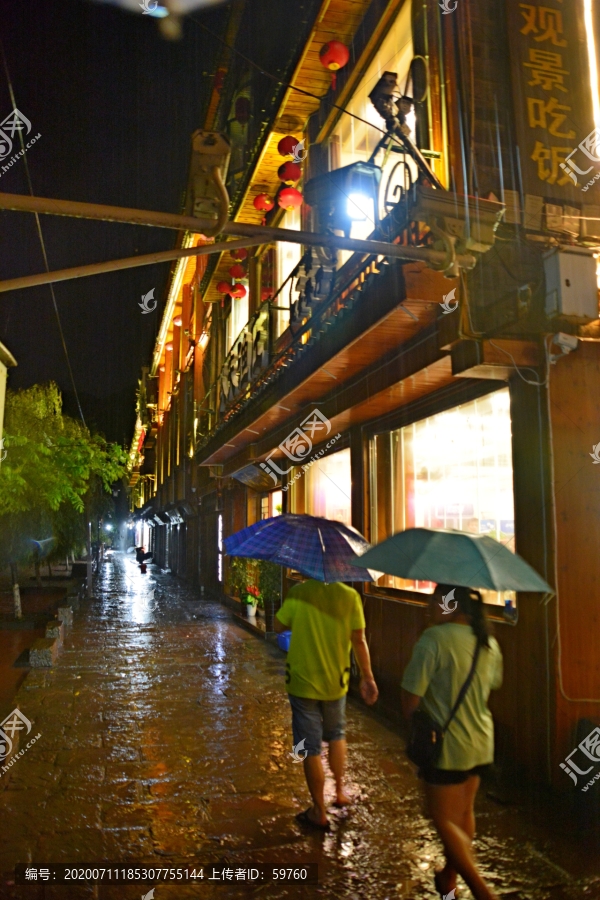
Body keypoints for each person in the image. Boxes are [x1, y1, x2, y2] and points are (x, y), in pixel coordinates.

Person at [401, 584, 503, 900]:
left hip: (446, 746)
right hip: (482, 741)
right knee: (463, 814)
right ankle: (448, 877)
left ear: (452, 606)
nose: (430, 605)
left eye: (436, 600)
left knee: (441, 818)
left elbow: (410, 698)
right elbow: (494, 683)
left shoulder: (434, 639)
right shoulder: (488, 642)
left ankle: (482, 892)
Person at [274, 579, 378, 831]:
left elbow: (278, 625)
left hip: (302, 681)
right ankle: (340, 791)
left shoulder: (299, 592)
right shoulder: (350, 596)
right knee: (336, 734)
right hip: (336, 681)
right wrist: (367, 676)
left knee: (309, 748)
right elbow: (359, 639)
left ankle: (318, 810)